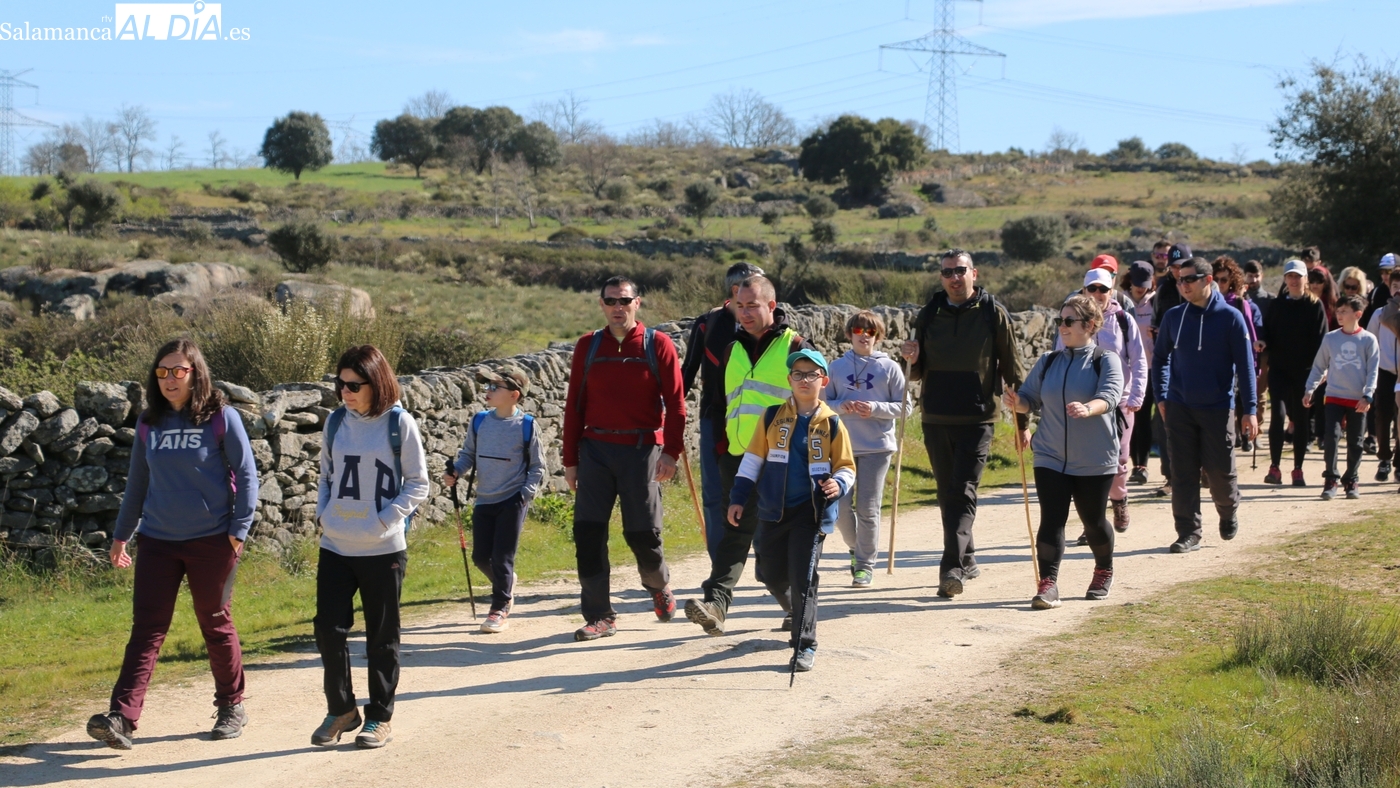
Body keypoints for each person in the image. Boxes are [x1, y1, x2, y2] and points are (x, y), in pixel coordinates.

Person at [87, 339, 259, 751]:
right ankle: (122, 718)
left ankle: (231, 706)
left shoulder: (222, 418)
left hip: (212, 541)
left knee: (215, 624)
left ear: (195, 373)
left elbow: (248, 475)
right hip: (158, 542)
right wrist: (121, 535)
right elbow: (137, 485)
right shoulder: (149, 422)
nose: (169, 379)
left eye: (178, 371)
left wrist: (238, 532)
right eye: (162, 372)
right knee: (146, 629)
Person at [312, 345, 430, 750]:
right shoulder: (335, 423)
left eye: (354, 385)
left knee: (382, 636)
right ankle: (342, 710)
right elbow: (326, 475)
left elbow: (418, 483)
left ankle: (380, 716)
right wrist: (323, 513)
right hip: (336, 545)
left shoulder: (400, 424)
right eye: (340, 384)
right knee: (329, 630)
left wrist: (383, 520)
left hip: (382, 550)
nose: (345, 392)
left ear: (375, 382)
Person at [686, 274, 812, 636]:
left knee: (775, 545)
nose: (745, 313)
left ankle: (796, 606)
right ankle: (715, 606)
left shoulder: (797, 347)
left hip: (784, 463)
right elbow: (721, 401)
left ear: (771, 306)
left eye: (752, 305)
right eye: (739, 306)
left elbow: (815, 406)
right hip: (738, 457)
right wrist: (723, 446)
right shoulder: (731, 349)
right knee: (735, 531)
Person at [563, 276, 686, 641]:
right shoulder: (588, 346)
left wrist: (671, 453)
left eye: (625, 300)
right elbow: (574, 406)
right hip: (595, 450)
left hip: (642, 451)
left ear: (638, 303)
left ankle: (658, 584)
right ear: (602, 304)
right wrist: (571, 460)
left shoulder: (657, 345)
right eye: (611, 301)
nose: (618, 307)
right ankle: (600, 616)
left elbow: (677, 405)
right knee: (587, 534)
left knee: (643, 535)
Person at [900, 249, 1027, 598]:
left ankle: (951, 568)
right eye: (947, 272)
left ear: (975, 273)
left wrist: (1022, 422)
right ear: (941, 278)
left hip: (978, 416)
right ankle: (967, 557)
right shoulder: (929, 313)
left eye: (960, 271)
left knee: (963, 490)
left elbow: (1011, 369)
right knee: (948, 492)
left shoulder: (992, 313)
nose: (954, 278)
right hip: (936, 416)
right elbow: (917, 372)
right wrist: (909, 358)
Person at [726, 349, 856, 672]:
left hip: (811, 514)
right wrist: (738, 497)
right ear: (789, 380)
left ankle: (804, 644)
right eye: (797, 374)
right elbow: (753, 460)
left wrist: (837, 485)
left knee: (803, 578)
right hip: (773, 510)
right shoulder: (772, 417)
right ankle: (793, 608)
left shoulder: (833, 423)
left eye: (811, 374)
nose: (803, 380)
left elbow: (847, 467)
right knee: (768, 572)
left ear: (823, 380)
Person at [1005, 295, 1124, 609]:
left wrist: (1089, 408)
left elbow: (1110, 396)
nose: (1062, 326)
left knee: (1093, 521)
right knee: (1052, 519)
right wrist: (1016, 403)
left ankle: (1103, 569)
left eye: (1069, 321)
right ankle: (1048, 585)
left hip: (1095, 458)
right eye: (1060, 320)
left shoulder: (1105, 359)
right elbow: (1029, 398)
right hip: (1050, 454)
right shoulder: (1048, 360)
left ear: (1089, 325)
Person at [1152, 257, 1258, 554]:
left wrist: (1249, 409)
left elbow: (1246, 366)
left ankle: (1227, 510)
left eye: (1189, 279)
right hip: (1179, 406)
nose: (1183, 285)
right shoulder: (1174, 317)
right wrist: (1162, 397)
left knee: (1219, 473)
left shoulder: (1231, 318)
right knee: (1182, 472)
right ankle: (1188, 532)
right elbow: (1159, 359)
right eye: (1179, 280)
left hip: (1217, 407)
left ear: (1208, 280)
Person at [444, 366, 546, 634]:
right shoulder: (479, 421)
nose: (487, 391)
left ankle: (500, 607)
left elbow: (538, 466)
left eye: (494, 387)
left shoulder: (526, 426)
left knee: (502, 557)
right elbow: (469, 454)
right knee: (480, 557)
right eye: (487, 386)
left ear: (514, 395)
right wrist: (456, 470)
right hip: (484, 499)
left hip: (513, 499)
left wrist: (525, 494)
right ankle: (507, 583)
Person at [680, 261, 765, 560]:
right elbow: (687, 372)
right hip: (714, 419)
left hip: (763, 420)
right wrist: (669, 412)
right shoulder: (708, 324)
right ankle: (721, 561)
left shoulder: (775, 326)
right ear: (734, 290)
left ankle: (768, 559)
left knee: (767, 489)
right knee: (715, 493)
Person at [1058, 267, 1145, 539]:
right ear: (1083, 291)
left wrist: (1136, 395)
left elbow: (1139, 359)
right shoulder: (1069, 320)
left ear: (1112, 290)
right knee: (1085, 464)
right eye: (1091, 289)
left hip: (1119, 404)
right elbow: (1058, 359)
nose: (1097, 294)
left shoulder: (1123, 320)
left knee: (1118, 459)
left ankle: (1119, 500)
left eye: (1103, 289)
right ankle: (1092, 522)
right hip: (1081, 405)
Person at [823, 311, 908, 587]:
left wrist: (874, 409)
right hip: (841, 448)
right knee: (840, 507)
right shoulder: (835, 367)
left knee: (868, 509)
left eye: (870, 332)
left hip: (877, 448)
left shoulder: (890, 367)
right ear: (849, 334)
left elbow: (905, 407)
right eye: (858, 330)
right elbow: (823, 405)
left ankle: (864, 565)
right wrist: (839, 406)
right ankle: (855, 548)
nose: (864, 336)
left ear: (878, 336)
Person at [1259, 260, 1330, 487]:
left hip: (1305, 372)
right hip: (1279, 369)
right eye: (1290, 276)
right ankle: (1275, 467)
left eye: (1297, 276)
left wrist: (1320, 370)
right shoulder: (1277, 305)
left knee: (1300, 419)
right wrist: (1262, 342)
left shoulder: (1314, 306)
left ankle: (1298, 469)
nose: (1293, 280)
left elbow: (1321, 341)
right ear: (1285, 279)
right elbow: (1268, 332)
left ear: (1305, 279)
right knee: (1278, 416)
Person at [1304, 294, 1380, 500]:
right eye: (1338, 311)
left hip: (1358, 400)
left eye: (1344, 311)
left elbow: (1373, 371)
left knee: (1356, 442)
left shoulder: (1368, 340)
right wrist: (1309, 389)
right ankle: (1331, 478)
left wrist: (1368, 395)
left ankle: (1351, 479)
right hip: (1334, 397)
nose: (1339, 314)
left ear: (1357, 314)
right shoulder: (1331, 338)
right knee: (1331, 438)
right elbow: (1319, 365)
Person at [1149, 243, 1193, 498]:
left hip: (1195, 366)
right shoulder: (1163, 290)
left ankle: (1200, 469)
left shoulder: (1199, 290)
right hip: (1169, 365)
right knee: (1165, 420)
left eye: (1180, 266)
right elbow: (1156, 324)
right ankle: (1170, 477)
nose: (1177, 272)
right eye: (1173, 267)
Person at [1213, 256, 1262, 451]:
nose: (1220, 284)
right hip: (1214, 366)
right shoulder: (1204, 303)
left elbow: (1249, 337)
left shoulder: (1240, 304)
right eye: (1216, 279)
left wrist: (1253, 367)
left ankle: (1241, 439)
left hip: (1235, 364)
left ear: (1232, 281)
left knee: (1237, 403)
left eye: (1224, 279)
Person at [1125, 260, 1157, 485]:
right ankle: (1134, 464)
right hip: (1129, 370)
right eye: (1137, 283)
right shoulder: (1121, 302)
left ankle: (1142, 465)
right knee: (1133, 417)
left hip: (1153, 368)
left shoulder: (1156, 302)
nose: (1141, 288)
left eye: (1145, 284)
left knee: (1147, 417)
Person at [1366, 272, 1400, 482]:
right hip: (1385, 372)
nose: (1398, 290)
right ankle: (1384, 458)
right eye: (1395, 285)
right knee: (1383, 415)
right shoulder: (1379, 314)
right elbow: (1370, 343)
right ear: (1389, 287)